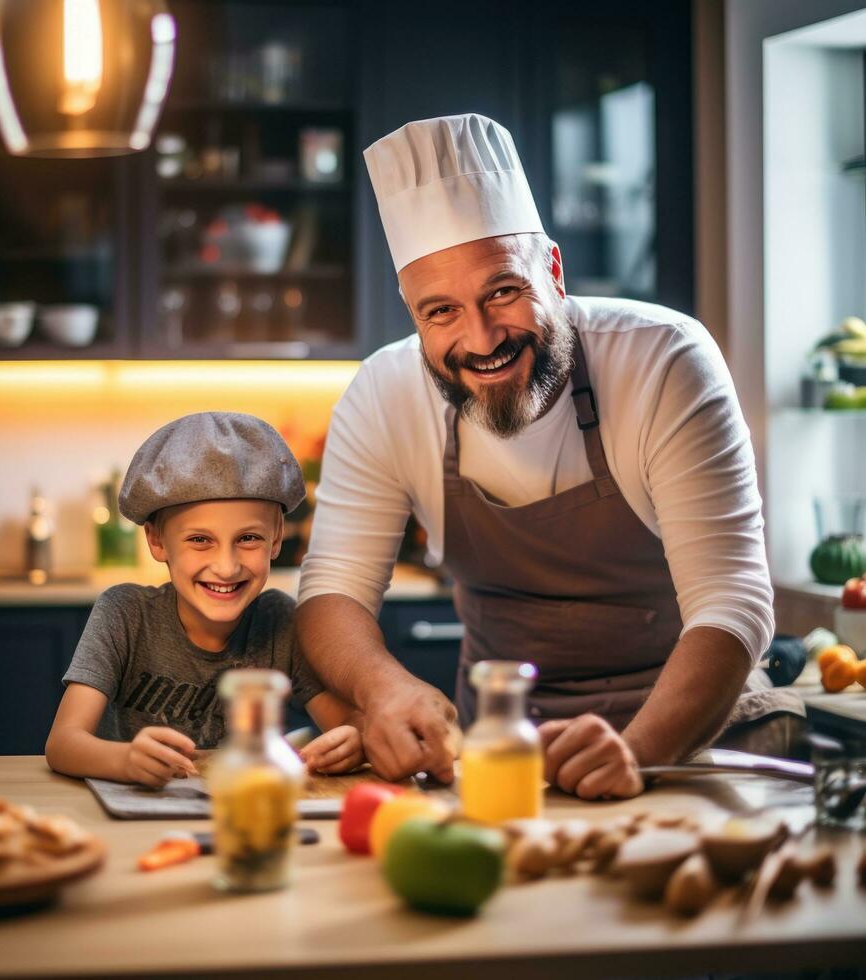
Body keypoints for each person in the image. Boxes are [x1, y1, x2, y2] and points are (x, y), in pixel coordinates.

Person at [296, 113, 803, 799]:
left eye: (502, 291)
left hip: (691, 745)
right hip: (498, 753)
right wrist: (383, 688)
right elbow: (330, 593)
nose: (480, 340)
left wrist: (637, 754)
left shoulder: (662, 359)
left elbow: (733, 601)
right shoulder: (385, 393)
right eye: (439, 312)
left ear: (554, 272)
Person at [46, 412, 364, 788]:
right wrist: (126, 759)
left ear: (277, 538)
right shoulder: (124, 614)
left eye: (249, 538)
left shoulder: (282, 621)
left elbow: (348, 727)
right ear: (157, 541)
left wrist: (353, 742)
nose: (226, 567)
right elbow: (63, 744)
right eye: (200, 540)